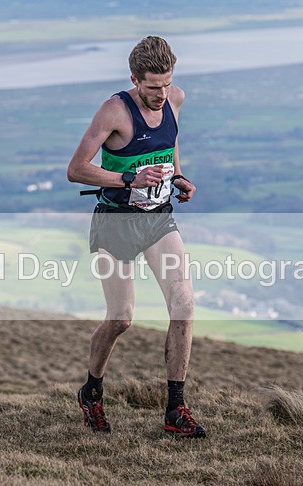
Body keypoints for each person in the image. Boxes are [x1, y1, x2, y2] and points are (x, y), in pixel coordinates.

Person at [67, 36, 205, 438]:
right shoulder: (115, 110)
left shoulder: (175, 99)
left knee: (184, 305)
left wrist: (177, 175)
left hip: (158, 218)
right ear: (134, 79)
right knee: (121, 318)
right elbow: (76, 169)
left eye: (165, 84)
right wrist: (129, 178)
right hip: (115, 222)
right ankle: (91, 390)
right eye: (152, 87)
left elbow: (170, 144)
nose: (161, 94)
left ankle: (175, 409)